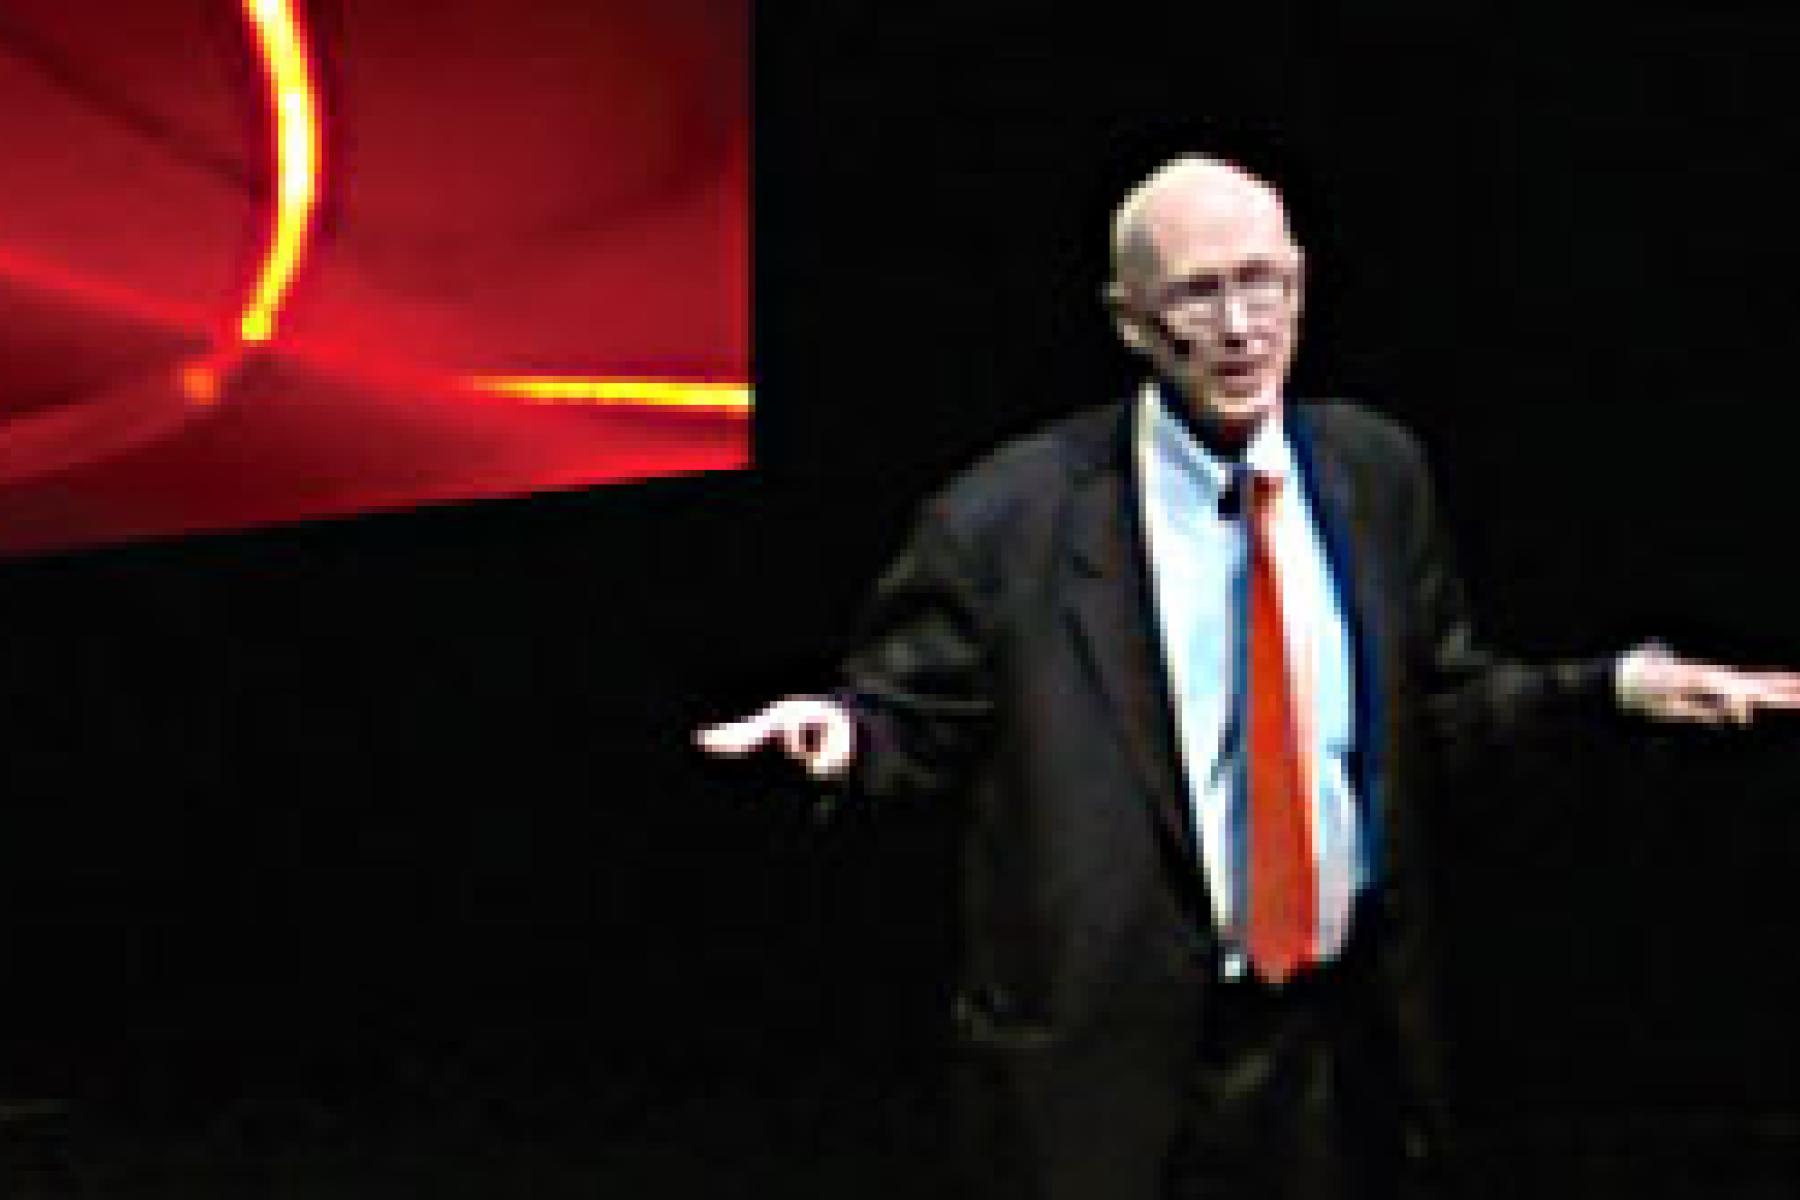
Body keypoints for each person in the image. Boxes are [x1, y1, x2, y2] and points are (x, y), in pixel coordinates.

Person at [696, 155, 1800, 1200]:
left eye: (1264, 283)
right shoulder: (1012, 519)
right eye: (1199, 294)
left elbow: (1442, 709)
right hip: (1109, 1078)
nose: (1239, 327)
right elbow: (915, 713)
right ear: (1130, 320)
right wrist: (840, 735)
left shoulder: (1373, 474)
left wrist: (1617, 689)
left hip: (1336, 1056)